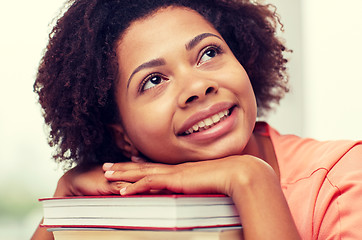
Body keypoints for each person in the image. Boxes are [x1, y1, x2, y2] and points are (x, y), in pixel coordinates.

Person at [31, 0, 362, 239]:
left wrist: (251, 180)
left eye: (209, 53)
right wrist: (63, 209)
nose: (198, 87)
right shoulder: (127, 210)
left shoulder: (343, 181)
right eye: (154, 81)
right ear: (123, 137)